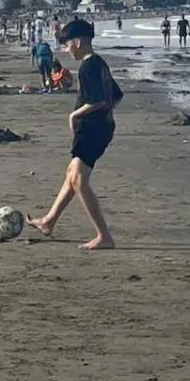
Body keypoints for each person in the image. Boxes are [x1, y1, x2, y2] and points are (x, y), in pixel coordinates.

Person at [27, 17, 121, 250]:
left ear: (77, 42)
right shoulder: (99, 63)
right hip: (101, 127)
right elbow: (116, 96)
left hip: (93, 130)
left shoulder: (89, 66)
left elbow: (97, 99)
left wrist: (75, 115)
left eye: (67, 44)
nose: (67, 49)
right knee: (72, 174)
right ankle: (49, 221)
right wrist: (105, 112)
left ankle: (104, 236)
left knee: (79, 180)